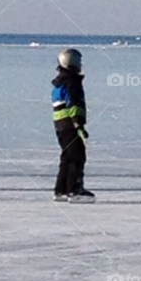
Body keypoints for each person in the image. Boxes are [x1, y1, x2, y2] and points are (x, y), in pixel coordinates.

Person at [51, 48, 94, 202]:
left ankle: (61, 190)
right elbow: (74, 105)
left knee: (67, 157)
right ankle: (74, 190)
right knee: (77, 156)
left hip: (60, 126)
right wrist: (79, 125)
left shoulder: (59, 82)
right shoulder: (72, 82)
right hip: (70, 125)